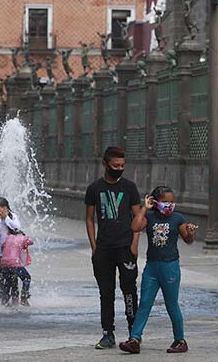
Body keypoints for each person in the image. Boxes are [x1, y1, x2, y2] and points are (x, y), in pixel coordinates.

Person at [118, 186, 197, 354]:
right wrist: (143, 209)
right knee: (145, 303)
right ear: (155, 202)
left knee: (171, 304)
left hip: (170, 267)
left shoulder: (177, 218)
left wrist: (190, 233)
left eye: (171, 201)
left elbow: (188, 239)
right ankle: (135, 339)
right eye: (165, 201)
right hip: (152, 267)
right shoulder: (149, 216)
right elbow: (135, 227)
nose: (169, 204)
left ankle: (180, 340)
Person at [85, 146, 142, 349]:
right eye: (115, 165)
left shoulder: (129, 187)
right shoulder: (94, 188)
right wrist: (94, 246)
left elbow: (138, 216)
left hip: (125, 247)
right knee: (106, 292)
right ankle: (107, 332)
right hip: (104, 249)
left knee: (129, 290)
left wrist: (135, 243)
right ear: (105, 164)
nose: (119, 168)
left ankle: (134, 332)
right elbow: (90, 219)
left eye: (122, 166)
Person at [0, 197, 20, 304]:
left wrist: (6, 218)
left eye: (2, 207)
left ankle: (14, 296)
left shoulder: (13, 217)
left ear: (7, 207)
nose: (0, 210)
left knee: (13, 276)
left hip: (12, 253)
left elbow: (16, 228)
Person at [0, 230, 34, 306]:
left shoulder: (8, 238)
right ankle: (24, 298)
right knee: (27, 278)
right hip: (14, 263)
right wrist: (26, 238)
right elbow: (31, 242)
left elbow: (2, 247)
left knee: (8, 280)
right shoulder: (23, 238)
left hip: (4, 263)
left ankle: (4, 300)